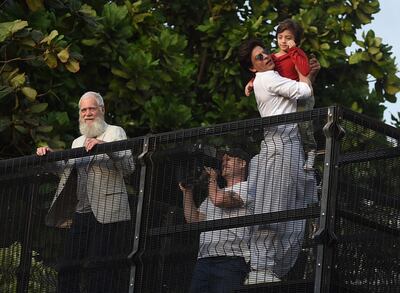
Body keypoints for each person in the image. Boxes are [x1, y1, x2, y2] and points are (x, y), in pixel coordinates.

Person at [36, 91, 134, 293]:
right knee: (67, 266)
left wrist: (104, 147)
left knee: (100, 268)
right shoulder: (77, 142)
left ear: (102, 110)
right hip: (81, 212)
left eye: (91, 108)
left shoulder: (116, 132)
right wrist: (49, 157)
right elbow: (66, 174)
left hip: (107, 212)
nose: (87, 113)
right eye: (83, 110)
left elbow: (128, 167)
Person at [238, 38, 318, 284]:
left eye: (265, 53)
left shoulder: (267, 76)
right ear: (253, 67)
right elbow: (304, 92)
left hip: (291, 144)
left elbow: (300, 96)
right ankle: (261, 268)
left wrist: (304, 72)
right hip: (279, 145)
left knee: (295, 207)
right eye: (259, 57)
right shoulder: (268, 78)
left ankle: (271, 269)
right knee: (273, 204)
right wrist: (306, 76)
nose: (266, 57)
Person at [244, 19, 320, 170]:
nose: (284, 41)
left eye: (289, 38)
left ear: (296, 41)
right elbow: (265, 72)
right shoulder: (272, 57)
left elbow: (304, 71)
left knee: (304, 125)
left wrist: (294, 52)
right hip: (289, 96)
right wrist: (252, 82)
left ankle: (311, 152)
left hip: (301, 95)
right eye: (280, 37)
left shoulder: (297, 54)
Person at [179, 149, 253, 293]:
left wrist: (212, 179)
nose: (224, 163)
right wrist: (187, 192)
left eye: (229, 159)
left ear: (243, 163)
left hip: (231, 258)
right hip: (204, 258)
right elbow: (193, 220)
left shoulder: (248, 187)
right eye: (222, 161)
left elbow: (219, 200)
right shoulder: (214, 194)